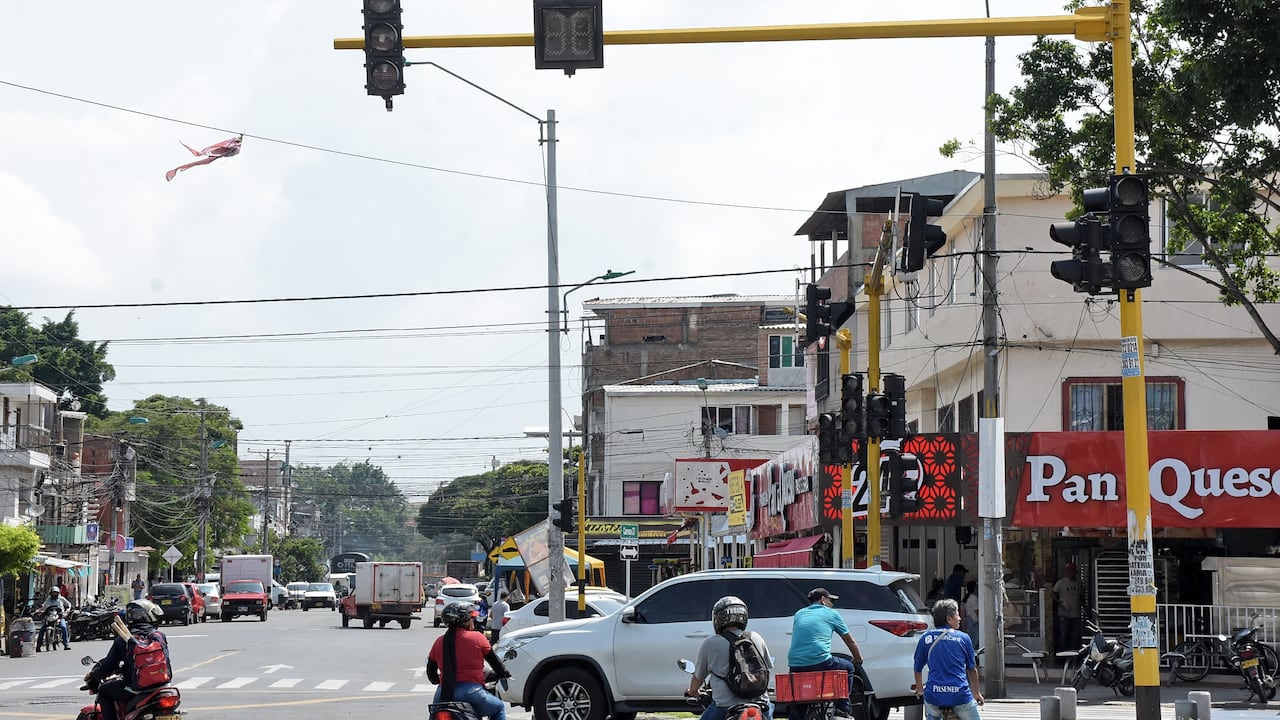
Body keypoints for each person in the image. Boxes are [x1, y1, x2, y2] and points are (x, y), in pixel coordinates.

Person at [684, 596, 773, 720]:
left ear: (717, 619)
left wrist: (693, 691)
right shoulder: (756, 637)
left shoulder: (711, 643)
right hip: (760, 705)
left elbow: (698, 677)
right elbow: (767, 667)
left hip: (725, 707)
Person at [788, 588, 871, 718]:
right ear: (822, 600)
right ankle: (842, 709)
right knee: (848, 667)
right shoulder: (831, 614)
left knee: (801, 697)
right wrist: (857, 658)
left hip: (795, 664)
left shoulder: (799, 614)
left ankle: (796, 715)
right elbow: (849, 640)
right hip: (820, 661)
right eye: (830, 600)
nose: (832, 604)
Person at [84, 600, 171, 720]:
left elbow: (108, 666)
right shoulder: (160, 635)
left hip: (136, 688)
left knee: (104, 690)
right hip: (164, 685)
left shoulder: (123, 640)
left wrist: (94, 675)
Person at [427, 601, 510, 720]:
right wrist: (503, 673)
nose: (473, 621)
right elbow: (496, 663)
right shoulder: (477, 637)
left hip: (443, 694)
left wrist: (437, 680)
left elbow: (431, 673)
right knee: (499, 707)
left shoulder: (439, 641)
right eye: (471, 618)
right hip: (472, 693)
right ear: (464, 621)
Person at [913, 598, 983, 720]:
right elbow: (971, 669)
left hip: (934, 695)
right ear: (949, 619)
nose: (960, 618)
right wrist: (976, 693)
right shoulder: (963, 638)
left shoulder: (925, 638)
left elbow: (917, 667)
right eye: (957, 614)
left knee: (932, 714)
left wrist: (920, 690)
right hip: (959, 695)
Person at [1051, 563, 1081, 654]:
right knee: (1063, 635)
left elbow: (1082, 596)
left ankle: (1073, 654)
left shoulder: (1078, 582)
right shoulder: (1061, 582)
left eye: (1072, 571)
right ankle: (1062, 655)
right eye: (1068, 571)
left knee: (1074, 636)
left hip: (1076, 613)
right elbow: (1052, 593)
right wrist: (1059, 603)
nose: (1070, 573)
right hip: (1063, 613)